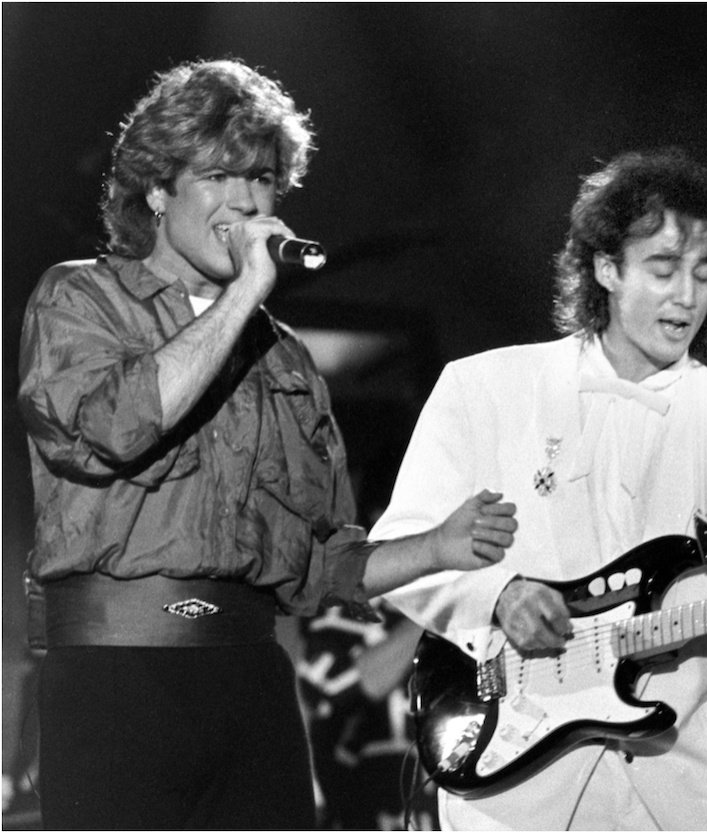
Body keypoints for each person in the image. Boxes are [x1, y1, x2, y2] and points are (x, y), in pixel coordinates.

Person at [16, 58, 517, 830]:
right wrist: (246, 290)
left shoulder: (283, 357)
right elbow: (110, 429)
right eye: (221, 175)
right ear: (157, 189)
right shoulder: (80, 297)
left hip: (250, 680)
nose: (248, 200)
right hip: (115, 680)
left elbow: (322, 566)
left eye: (263, 178)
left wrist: (436, 547)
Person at [369, 149, 707, 830]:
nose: (687, 296)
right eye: (663, 269)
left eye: (704, 273)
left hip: (693, 802)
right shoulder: (482, 390)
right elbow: (398, 555)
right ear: (605, 267)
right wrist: (496, 595)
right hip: (511, 793)